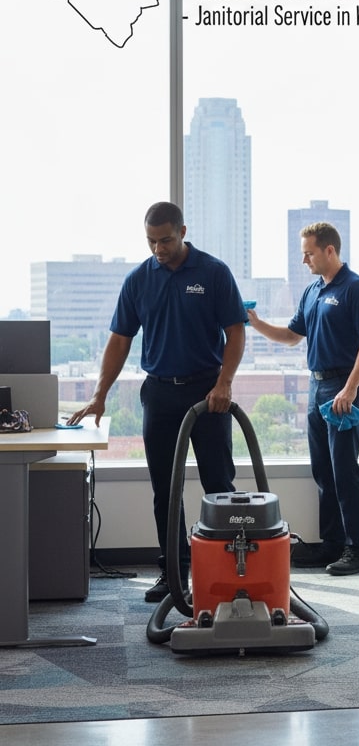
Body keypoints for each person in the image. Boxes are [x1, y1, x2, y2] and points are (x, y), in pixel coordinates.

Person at [69, 201, 246, 602]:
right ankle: (173, 574)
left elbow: (235, 332)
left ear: (183, 232)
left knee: (219, 485)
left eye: (165, 240)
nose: (158, 249)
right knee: (165, 490)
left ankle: (226, 572)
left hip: (207, 392)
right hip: (160, 393)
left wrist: (225, 383)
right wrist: (100, 394)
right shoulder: (138, 280)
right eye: (151, 241)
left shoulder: (213, 272)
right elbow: (120, 340)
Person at [246, 221, 359, 576]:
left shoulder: (356, 288)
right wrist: (255, 323)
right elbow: (292, 335)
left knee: (344, 470)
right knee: (323, 470)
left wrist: (350, 388)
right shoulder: (312, 291)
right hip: (316, 386)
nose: (304, 260)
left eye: (309, 253)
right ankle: (332, 544)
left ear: (329, 250)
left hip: (344, 387)